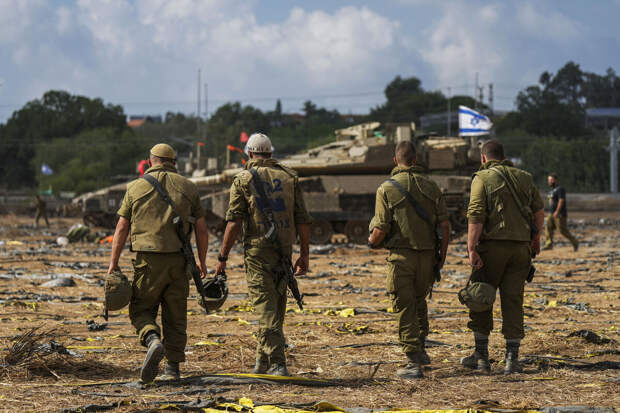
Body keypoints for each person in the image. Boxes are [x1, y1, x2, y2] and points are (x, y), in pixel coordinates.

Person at [107, 143, 208, 382]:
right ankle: (173, 369)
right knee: (176, 315)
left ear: (150, 160)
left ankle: (152, 339)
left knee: (141, 309)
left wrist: (113, 262)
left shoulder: (135, 187)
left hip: (148, 262)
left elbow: (122, 227)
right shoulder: (189, 187)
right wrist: (202, 262)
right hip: (180, 262)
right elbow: (202, 229)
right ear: (174, 162)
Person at [214, 133, 312, 376]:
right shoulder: (290, 177)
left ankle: (278, 362)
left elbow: (234, 223)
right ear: (270, 152)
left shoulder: (243, 179)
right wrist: (304, 254)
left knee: (265, 308)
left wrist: (222, 258)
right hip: (284, 250)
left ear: (249, 153)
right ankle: (263, 360)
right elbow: (302, 219)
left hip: (258, 252)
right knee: (275, 307)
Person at [368, 141, 450, 379]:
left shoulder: (386, 189)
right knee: (418, 301)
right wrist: (441, 258)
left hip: (401, 258)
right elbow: (445, 225)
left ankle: (413, 361)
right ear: (416, 159)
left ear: (396, 161)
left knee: (404, 307)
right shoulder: (432, 186)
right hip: (428, 257)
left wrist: (372, 241)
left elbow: (381, 228)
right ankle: (421, 349)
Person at [463, 140, 544, 375]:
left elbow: (476, 214)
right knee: (513, 300)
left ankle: (481, 357)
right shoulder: (525, 177)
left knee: (481, 296)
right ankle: (511, 359)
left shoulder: (482, 178)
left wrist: (471, 248)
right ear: (504, 156)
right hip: (520, 250)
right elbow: (539, 211)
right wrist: (536, 238)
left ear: (483, 158)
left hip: (492, 249)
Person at [543, 173, 578, 251]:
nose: (549, 182)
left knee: (563, 231)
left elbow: (561, 201)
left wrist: (557, 211)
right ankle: (549, 244)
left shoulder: (560, 189)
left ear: (555, 180)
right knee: (548, 228)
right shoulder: (551, 191)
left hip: (559, 214)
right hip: (551, 213)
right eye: (548, 180)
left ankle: (575, 242)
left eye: (550, 180)